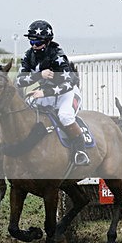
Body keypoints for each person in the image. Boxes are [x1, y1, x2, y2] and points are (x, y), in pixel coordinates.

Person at [15, 20, 90, 165]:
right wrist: (39, 76)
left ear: (48, 41)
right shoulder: (28, 56)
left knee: (65, 116)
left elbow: (69, 83)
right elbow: (19, 81)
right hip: (46, 93)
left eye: (37, 42)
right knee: (27, 107)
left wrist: (45, 92)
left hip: (67, 93)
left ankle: (81, 152)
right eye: (31, 42)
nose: (34, 46)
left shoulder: (58, 55)